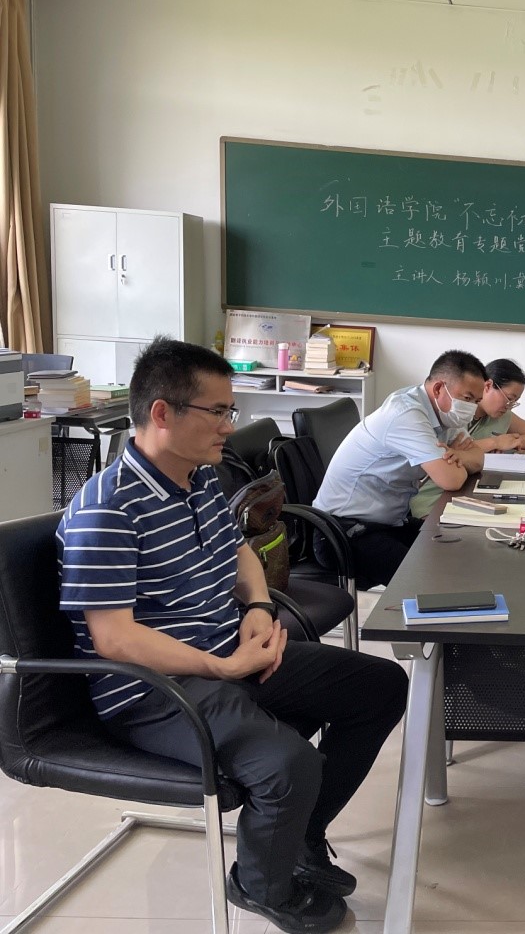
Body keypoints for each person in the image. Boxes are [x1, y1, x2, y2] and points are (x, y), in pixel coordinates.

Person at [58, 338, 407, 934]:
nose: (229, 425)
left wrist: (259, 607)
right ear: (162, 413)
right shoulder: (107, 509)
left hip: (227, 654)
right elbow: (114, 640)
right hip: (154, 688)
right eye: (217, 411)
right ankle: (262, 885)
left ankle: (298, 837)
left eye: (230, 410)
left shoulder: (198, 479)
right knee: (289, 766)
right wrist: (220, 667)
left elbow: (241, 551)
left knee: (379, 686)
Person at [314, 349, 486, 587]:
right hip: (343, 532)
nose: (472, 408)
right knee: (432, 583)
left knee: (460, 551)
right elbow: (451, 480)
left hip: (388, 523)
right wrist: (457, 458)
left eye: (476, 401)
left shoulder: (444, 414)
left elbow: (478, 458)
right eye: (467, 398)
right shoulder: (407, 414)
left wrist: (459, 456)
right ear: (439, 388)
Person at [410, 357, 525, 520]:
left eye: (514, 402)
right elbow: (447, 454)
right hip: (435, 494)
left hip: (468, 488)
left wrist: (513, 442)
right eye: (509, 398)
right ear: (488, 386)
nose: (509, 406)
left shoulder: (501, 416)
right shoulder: (455, 412)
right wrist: (495, 442)